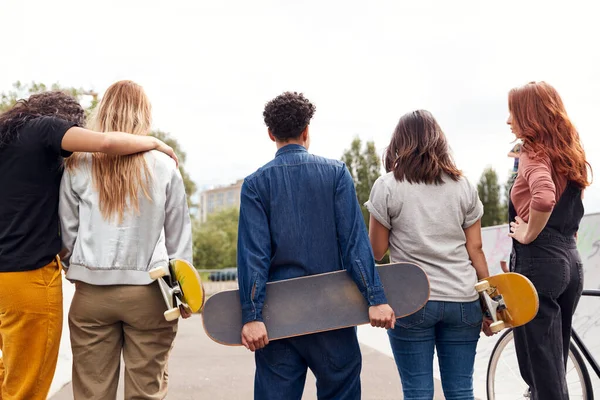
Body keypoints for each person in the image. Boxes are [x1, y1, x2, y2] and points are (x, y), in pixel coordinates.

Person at [0, 90, 178, 400]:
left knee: (9, 372)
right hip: (29, 277)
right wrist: (155, 143)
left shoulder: (9, 142)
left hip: (6, 279)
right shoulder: (45, 128)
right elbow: (107, 143)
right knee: (26, 383)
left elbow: (68, 227)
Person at [237, 91, 395, 400]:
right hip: (332, 313)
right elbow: (354, 244)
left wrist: (252, 315)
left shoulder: (255, 184)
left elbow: (253, 255)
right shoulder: (335, 173)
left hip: (277, 317)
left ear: (271, 134)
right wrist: (375, 297)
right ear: (307, 131)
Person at [59, 80, 192, 399]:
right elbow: (179, 239)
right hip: (150, 293)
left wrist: (76, 269)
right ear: (143, 115)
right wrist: (184, 292)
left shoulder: (78, 162)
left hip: (91, 295)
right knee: (146, 390)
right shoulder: (163, 165)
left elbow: (67, 231)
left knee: (92, 392)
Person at [365, 109, 492, 400]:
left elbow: (377, 251)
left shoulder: (387, 186)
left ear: (400, 142)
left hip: (412, 301)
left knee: (418, 392)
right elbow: (476, 249)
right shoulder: (464, 186)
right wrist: (490, 305)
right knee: (461, 391)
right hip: (463, 300)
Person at [506, 81, 591, 400]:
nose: (508, 120)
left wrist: (529, 232)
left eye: (512, 112)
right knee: (554, 365)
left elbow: (543, 197)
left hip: (540, 264)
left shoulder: (533, 152)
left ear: (529, 115)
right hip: (570, 261)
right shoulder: (569, 153)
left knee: (543, 372)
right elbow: (572, 207)